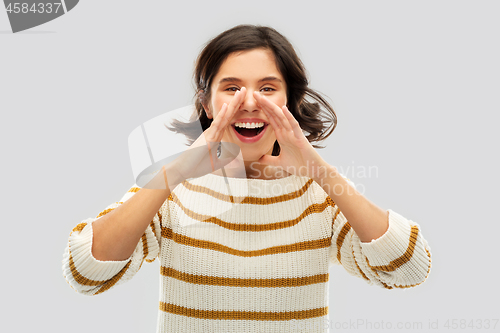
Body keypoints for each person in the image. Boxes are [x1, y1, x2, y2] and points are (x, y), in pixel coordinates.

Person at [62, 24, 432, 333]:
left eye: (268, 88)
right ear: (206, 105)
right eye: (232, 88)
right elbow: (85, 273)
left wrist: (317, 169)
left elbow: (409, 268)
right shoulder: (172, 191)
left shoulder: (319, 195)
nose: (250, 102)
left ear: (290, 102)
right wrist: (177, 170)